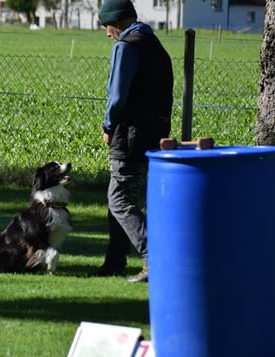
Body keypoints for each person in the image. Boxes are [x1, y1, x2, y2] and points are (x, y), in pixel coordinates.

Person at [90, 0, 173, 282]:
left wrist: (108, 126)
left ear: (117, 22)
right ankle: (115, 262)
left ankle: (154, 259)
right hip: (154, 133)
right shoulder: (155, 45)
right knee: (120, 195)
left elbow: (117, 96)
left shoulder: (126, 47)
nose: (107, 33)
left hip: (128, 134)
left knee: (120, 199)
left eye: (107, 26)